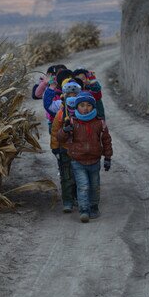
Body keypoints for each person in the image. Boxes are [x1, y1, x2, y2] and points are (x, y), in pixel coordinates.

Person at [57, 91, 113, 223]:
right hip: (78, 161)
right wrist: (65, 130)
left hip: (94, 161)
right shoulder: (71, 122)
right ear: (77, 107)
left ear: (93, 107)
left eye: (89, 105)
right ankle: (84, 210)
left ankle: (94, 207)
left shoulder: (100, 123)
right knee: (83, 186)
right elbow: (60, 138)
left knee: (94, 186)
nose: (85, 108)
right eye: (82, 105)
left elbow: (106, 140)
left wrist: (108, 158)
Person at [50, 79, 81, 212]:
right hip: (65, 150)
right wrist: (55, 148)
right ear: (64, 96)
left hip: (81, 151)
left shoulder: (84, 112)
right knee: (67, 177)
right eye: (69, 96)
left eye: (75, 96)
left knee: (80, 177)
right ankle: (67, 201)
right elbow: (55, 132)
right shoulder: (61, 115)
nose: (72, 99)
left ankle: (79, 198)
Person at [43, 68, 73, 133]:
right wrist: (50, 88)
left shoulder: (83, 100)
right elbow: (48, 105)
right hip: (59, 127)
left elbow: (48, 105)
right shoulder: (61, 101)